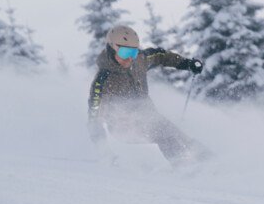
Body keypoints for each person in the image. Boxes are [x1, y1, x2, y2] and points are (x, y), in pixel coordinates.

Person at [87, 25, 208, 166]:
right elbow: (93, 120)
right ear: (111, 48)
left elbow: (161, 56)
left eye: (133, 53)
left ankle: (207, 159)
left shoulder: (140, 60)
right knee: (165, 132)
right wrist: (105, 152)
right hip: (123, 126)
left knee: (176, 132)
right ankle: (183, 166)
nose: (130, 59)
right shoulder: (103, 79)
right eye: (125, 53)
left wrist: (186, 64)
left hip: (148, 115)